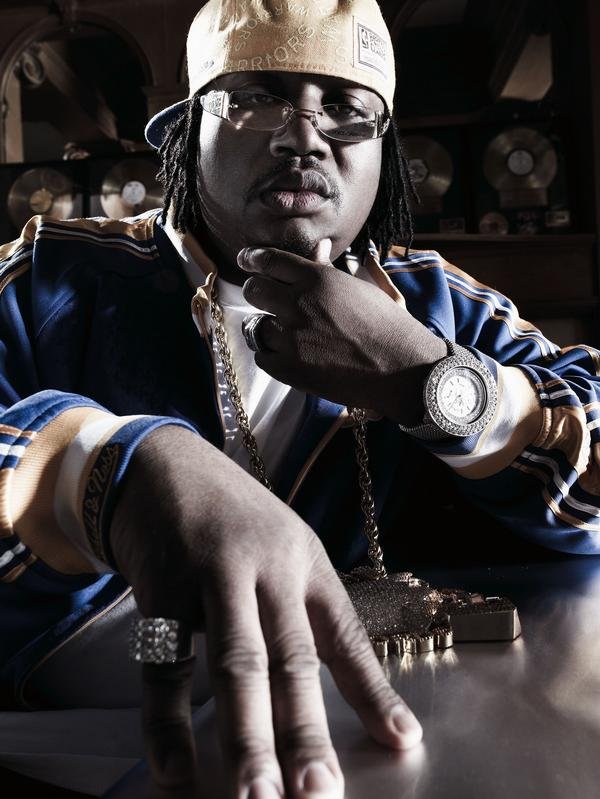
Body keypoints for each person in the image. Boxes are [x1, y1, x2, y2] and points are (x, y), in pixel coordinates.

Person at [1, 0, 599, 796]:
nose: (304, 137)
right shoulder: (48, 278)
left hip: (381, 754)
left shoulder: (435, 305)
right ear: (187, 130)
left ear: (385, 150)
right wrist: (102, 471)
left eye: (346, 108)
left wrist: (430, 380)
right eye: (256, 98)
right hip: (64, 750)